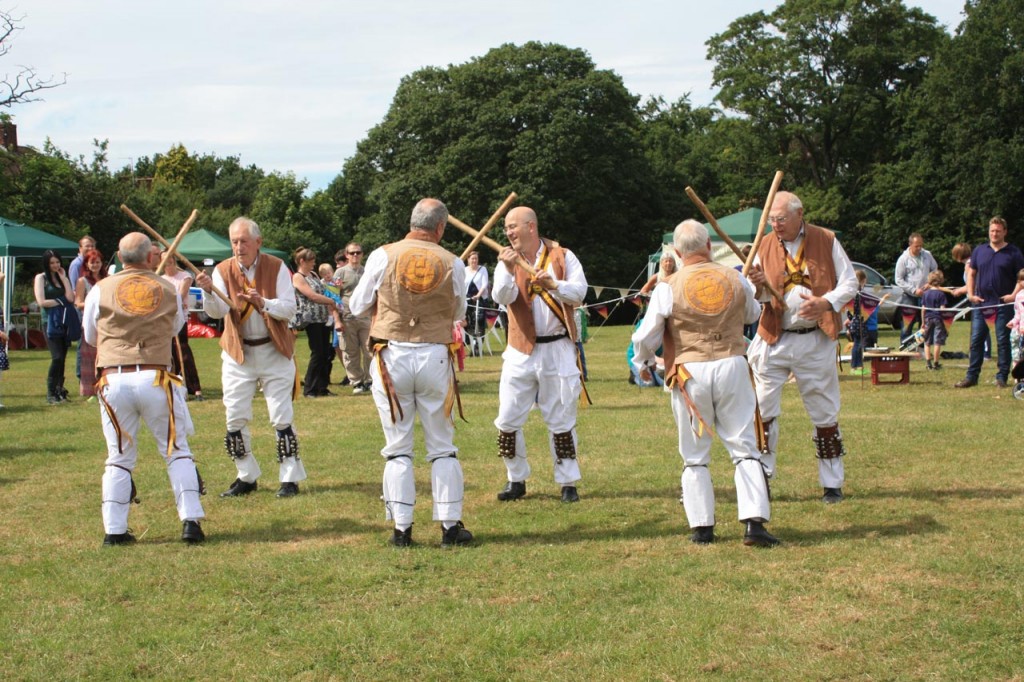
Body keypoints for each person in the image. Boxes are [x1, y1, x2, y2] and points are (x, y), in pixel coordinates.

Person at [632, 220, 777, 546]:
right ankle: (754, 524)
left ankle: (702, 528)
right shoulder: (734, 277)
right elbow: (753, 314)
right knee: (744, 447)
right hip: (731, 364)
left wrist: (642, 362)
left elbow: (646, 334)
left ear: (678, 253)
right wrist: (751, 285)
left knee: (695, 454)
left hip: (690, 371)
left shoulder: (668, 285)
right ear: (709, 246)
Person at [348, 198, 473, 547]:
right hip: (434, 355)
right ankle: (450, 527)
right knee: (442, 446)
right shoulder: (453, 261)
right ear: (440, 228)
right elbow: (459, 310)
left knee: (398, 447)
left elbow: (357, 305)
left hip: (391, 356)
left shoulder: (382, 255)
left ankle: (402, 530)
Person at [82, 232, 206, 546]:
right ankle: (191, 522)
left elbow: (91, 335)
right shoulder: (167, 288)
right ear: (149, 258)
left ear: (120, 257)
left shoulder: (100, 288)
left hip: (114, 378)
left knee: (119, 457)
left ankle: (114, 530)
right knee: (176, 451)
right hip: (155, 376)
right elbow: (177, 327)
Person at [747, 191, 858, 504]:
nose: (776, 225)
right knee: (763, 411)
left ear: (799, 214)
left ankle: (832, 485)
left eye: (781, 219)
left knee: (824, 412)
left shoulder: (826, 239)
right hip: (774, 336)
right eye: (772, 219)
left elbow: (850, 283)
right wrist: (757, 285)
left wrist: (826, 302)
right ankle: (762, 480)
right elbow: (754, 294)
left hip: (815, 338)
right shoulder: (764, 244)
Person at [194, 217, 308, 498]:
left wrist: (263, 303)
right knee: (234, 416)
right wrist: (209, 292)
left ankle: (290, 477)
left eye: (244, 241)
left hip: (273, 349)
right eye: (234, 241)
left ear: (258, 242)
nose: (238, 246)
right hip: (238, 352)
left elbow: (289, 309)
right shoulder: (223, 270)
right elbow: (217, 312)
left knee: (281, 415)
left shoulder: (276, 267)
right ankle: (246, 475)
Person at [491, 206, 588, 503]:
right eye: (506, 228)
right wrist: (509, 272)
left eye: (513, 226)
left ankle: (568, 482)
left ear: (531, 226)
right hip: (519, 350)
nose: (508, 232)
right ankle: (515, 479)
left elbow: (580, 293)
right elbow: (502, 298)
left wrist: (554, 285)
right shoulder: (506, 260)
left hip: (557, 348)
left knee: (561, 419)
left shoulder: (563, 256)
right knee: (507, 419)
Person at [955, 217, 1024, 389]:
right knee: (976, 340)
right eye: (992, 230)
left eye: (998, 231)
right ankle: (971, 377)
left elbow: (1021, 276)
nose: (994, 234)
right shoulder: (979, 251)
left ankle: (1002, 377)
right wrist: (970, 294)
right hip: (981, 304)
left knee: (1003, 340)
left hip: (1003, 304)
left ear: (1004, 232)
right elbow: (971, 274)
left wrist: (1013, 295)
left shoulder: (1014, 252)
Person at [291, 247, 341, 398]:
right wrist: (332, 301)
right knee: (317, 353)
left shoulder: (312, 275)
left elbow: (322, 291)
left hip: (323, 318)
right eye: (311, 260)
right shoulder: (298, 277)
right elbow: (312, 296)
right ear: (301, 261)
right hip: (311, 319)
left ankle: (322, 387)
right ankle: (310, 389)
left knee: (326, 353)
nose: (314, 263)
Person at [34, 249, 78, 405]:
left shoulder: (61, 277)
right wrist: (61, 301)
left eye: (57, 262)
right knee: (57, 357)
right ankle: (50, 392)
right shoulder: (41, 278)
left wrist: (64, 278)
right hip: (50, 321)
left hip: (64, 320)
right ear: (46, 263)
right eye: (52, 262)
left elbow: (71, 298)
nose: (55, 265)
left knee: (63, 358)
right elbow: (42, 302)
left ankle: (60, 390)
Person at [160, 248, 204, 400]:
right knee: (169, 354)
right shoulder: (161, 279)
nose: (169, 261)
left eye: (171, 257)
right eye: (165, 259)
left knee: (183, 352)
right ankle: (175, 386)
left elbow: (180, 296)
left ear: (174, 259)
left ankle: (195, 388)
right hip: (165, 321)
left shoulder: (185, 277)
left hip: (180, 319)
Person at [335, 242, 372, 394]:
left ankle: (370, 380)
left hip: (365, 317)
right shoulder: (340, 273)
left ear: (362, 254)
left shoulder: (368, 271)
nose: (355, 255)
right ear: (346, 255)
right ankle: (356, 381)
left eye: (358, 252)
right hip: (347, 317)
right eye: (352, 253)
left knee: (369, 349)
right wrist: (337, 320)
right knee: (350, 351)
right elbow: (333, 297)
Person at [75, 249, 107, 399]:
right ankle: (89, 390)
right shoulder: (82, 281)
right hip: (90, 321)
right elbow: (78, 302)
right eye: (92, 262)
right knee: (89, 358)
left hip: (106, 322)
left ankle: (104, 386)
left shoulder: (107, 279)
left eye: (98, 262)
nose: (95, 265)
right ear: (87, 264)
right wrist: (92, 303)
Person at [894, 233, 938, 342]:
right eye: (916, 246)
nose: (919, 248)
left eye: (921, 245)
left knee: (925, 323)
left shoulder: (927, 255)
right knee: (907, 324)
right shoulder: (903, 259)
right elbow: (898, 279)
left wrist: (930, 283)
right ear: (910, 244)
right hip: (909, 296)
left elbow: (935, 269)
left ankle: (922, 348)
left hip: (926, 295)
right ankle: (905, 347)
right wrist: (913, 290)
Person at [846, 270, 885, 376]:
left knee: (856, 345)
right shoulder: (860, 294)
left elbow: (848, 311)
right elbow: (867, 309)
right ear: (863, 281)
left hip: (854, 323)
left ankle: (855, 367)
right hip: (860, 324)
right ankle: (857, 367)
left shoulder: (851, 293)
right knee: (858, 346)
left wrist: (850, 320)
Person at [68, 236, 96, 384]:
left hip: (94, 310)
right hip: (82, 309)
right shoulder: (76, 264)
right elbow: (74, 291)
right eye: (87, 246)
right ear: (80, 248)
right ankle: (81, 375)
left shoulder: (94, 263)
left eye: (92, 246)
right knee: (83, 343)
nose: (90, 249)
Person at [921, 270, 949, 370]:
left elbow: (923, 309)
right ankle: (936, 363)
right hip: (938, 319)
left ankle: (928, 363)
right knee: (937, 342)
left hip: (928, 318)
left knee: (927, 342)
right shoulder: (941, 294)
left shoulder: (925, 294)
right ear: (940, 281)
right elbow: (942, 309)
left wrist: (923, 322)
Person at [464, 250, 490, 354]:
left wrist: (478, 295)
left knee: (479, 323)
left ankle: (477, 347)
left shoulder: (482, 269)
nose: (474, 260)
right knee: (469, 323)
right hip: (467, 300)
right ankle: (471, 345)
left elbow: (484, 284)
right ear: (468, 259)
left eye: (476, 258)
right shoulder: (465, 270)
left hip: (479, 300)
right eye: (472, 258)